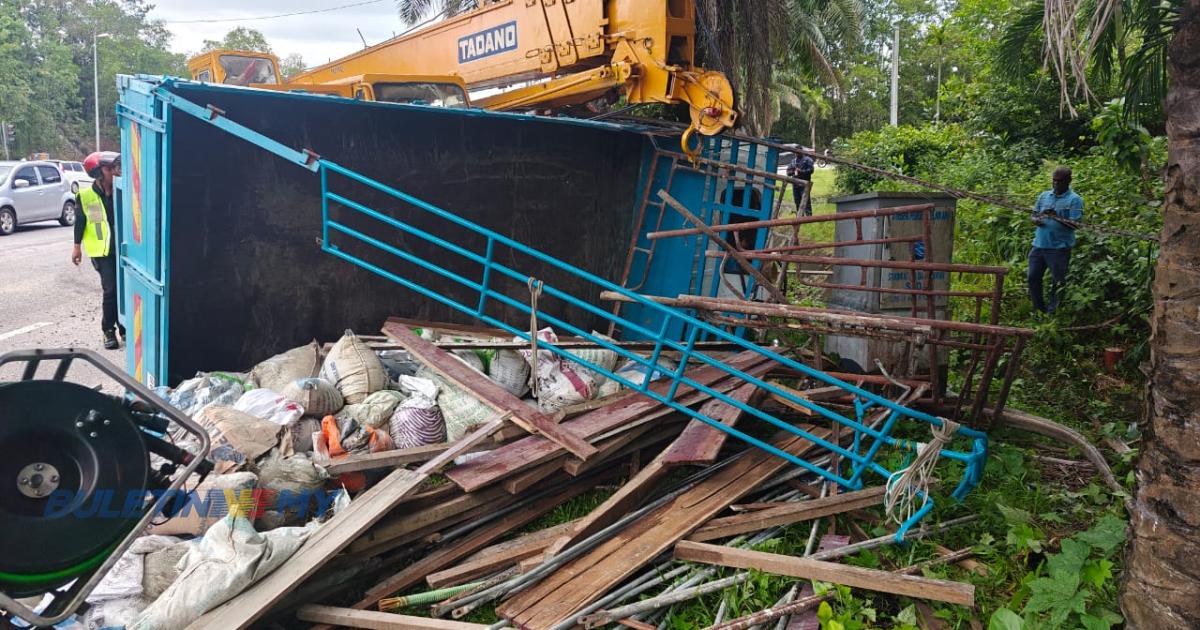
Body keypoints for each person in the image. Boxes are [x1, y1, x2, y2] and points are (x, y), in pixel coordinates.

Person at [71, 151, 124, 349]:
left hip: (125, 250)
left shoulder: (124, 191)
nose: (116, 172)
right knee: (111, 290)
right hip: (102, 253)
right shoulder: (86, 196)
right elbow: (81, 222)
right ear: (100, 172)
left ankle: (124, 326)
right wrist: (76, 247)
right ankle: (108, 330)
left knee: (125, 289)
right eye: (112, 169)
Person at [1028, 166, 1083, 314]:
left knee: (1057, 282)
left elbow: (1075, 225)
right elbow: (1033, 216)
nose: (1056, 184)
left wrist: (1057, 217)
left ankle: (1053, 313)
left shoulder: (1075, 200)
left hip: (1059, 248)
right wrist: (1039, 218)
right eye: (1054, 180)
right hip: (1039, 245)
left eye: (1060, 181)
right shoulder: (1044, 196)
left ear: (1068, 181)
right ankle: (1039, 310)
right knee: (1032, 277)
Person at [787, 151, 815, 216]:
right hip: (795, 184)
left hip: (805, 184)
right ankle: (800, 216)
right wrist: (793, 171)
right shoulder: (793, 161)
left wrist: (801, 171)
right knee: (797, 200)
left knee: (806, 200)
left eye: (797, 152)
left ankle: (809, 217)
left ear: (801, 152)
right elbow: (788, 172)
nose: (796, 154)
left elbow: (811, 170)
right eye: (795, 152)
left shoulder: (807, 160)